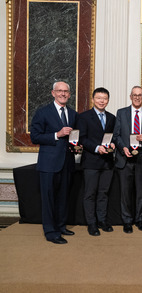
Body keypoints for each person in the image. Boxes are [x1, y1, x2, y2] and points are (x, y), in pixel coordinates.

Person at [30, 81, 78, 244]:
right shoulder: (43, 112)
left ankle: (61, 226)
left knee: (63, 197)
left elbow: (74, 138)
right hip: (49, 164)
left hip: (67, 163)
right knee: (49, 198)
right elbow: (35, 137)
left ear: (69, 94)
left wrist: (77, 146)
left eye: (66, 91)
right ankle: (51, 232)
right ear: (53, 93)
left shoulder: (73, 114)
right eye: (60, 91)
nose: (63, 94)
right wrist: (57, 134)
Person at [114, 86, 142, 234]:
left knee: (140, 192)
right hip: (125, 158)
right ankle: (127, 221)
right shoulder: (121, 113)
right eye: (135, 95)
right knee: (125, 193)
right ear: (130, 97)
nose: (137, 98)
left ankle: (139, 220)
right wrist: (123, 148)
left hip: (141, 159)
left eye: (140, 95)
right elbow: (116, 135)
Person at [77, 87, 116, 236]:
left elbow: (113, 137)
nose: (102, 101)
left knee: (103, 193)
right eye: (99, 98)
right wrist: (96, 148)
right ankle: (91, 223)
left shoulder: (112, 118)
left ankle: (102, 220)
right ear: (93, 99)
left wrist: (113, 144)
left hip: (107, 163)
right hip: (91, 162)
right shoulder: (84, 117)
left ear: (108, 100)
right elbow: (82, 138)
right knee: (90, 194)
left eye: (105, 98)